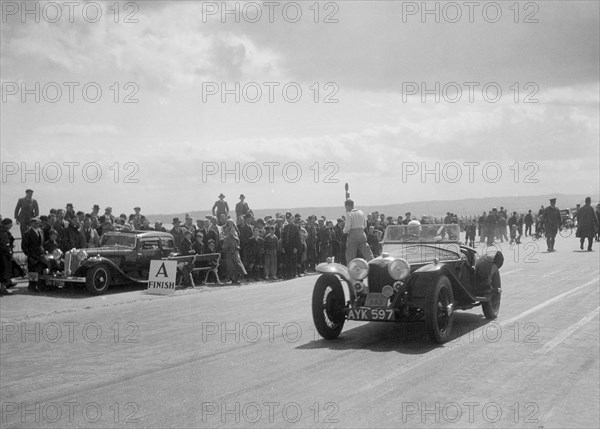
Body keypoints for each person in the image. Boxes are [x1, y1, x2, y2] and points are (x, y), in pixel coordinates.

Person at [343, 199, 373, 264]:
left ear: (347, 206)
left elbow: (347, 227)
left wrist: (344, 231)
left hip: (353, 234)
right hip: (362, 233)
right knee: (367, 252)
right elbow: (365, 225)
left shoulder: (349, 214)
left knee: (350, 254)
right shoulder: (361, 212)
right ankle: (372, 264)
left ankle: (351, 268)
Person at [1, 218, 23, 295]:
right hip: (4, 256)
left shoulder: (3, 231)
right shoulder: (3, 233)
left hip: (3, 254)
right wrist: (10, 253)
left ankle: (7, 283)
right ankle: (3, 288)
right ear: (7, 224)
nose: (11, 225)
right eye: (10, 224)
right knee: (5, 271)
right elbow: (5, 245)